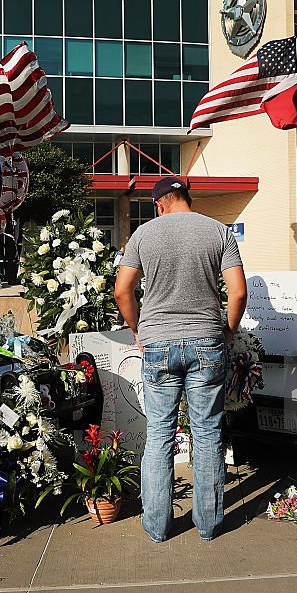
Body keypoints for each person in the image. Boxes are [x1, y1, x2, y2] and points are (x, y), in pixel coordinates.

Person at [114, 176, 247, 543]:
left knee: (159, 434)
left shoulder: (144, 235)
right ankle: (209, 525)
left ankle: (157, 527)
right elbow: (238, 293)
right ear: (187, 197)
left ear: (160, 204)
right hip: (207, 340)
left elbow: (122, 290)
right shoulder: (219, 232)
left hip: (158, 342)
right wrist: (229, 331)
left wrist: (139, 328)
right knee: (206, 432)